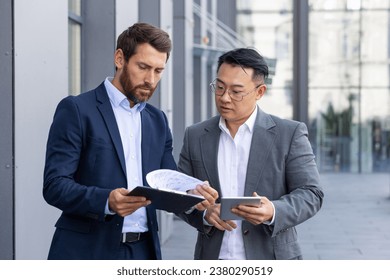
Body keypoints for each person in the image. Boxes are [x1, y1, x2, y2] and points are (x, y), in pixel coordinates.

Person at [43, 22, 216, 260]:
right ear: (119, 58)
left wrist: (191, 193)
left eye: (158, 70)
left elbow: (166, 182)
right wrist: (106, 201)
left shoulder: (157, 120)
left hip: (143, 252)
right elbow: (55, 185)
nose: (151, 80)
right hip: (87, 251)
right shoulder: (76, 110)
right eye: (143, 67)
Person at [177, 48, 324, 260]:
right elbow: (179, 193)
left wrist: (273, 210)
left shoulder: (289, 133)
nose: (224, 98)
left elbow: (312, 194)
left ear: (259, 92)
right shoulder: (196, 135)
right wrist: (204, 214)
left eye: (236, 91)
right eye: (219, 87)